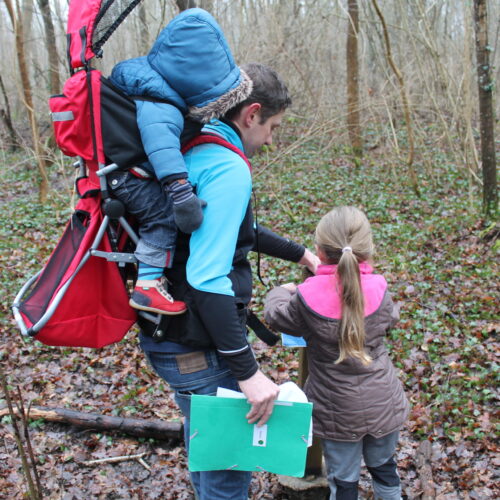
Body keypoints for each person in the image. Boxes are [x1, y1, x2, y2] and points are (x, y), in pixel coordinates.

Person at [138, 62, 320, 500]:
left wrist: (300, 253)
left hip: (165, 337)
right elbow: (206, 278)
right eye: (273, 127)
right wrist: (248, 373)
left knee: (205, 448)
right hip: (196, 347)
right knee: (227, 473)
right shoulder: (228, 168)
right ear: (251, 114)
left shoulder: (196, 148)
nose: (272, 140)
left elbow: (236, 231)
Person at [107, 8, 253, 315]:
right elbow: (162, 148)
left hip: (124, 171)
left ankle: (149, 276)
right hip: (128, 176)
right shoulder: (161, 103)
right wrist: (180, 192)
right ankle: (148, 286)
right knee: (162, 215)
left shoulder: (154, 85)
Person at [264, 206, 409, 500]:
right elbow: (390, 317)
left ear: (319, 250)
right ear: (367, 251)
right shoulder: (380, 289)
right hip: (384, 402)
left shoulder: (305, 297)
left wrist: (281, 289)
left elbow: (276, 316)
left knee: (343, 482)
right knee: (384, 468)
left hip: (336, 412)